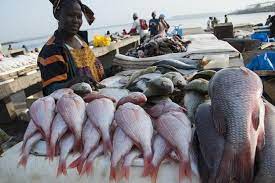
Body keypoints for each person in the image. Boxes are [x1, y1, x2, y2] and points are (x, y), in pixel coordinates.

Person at [38, 0, 104, 96]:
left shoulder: (81, 39)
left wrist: (110, 70)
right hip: (75, 105)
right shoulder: (51, 51)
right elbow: (50, 90)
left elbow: (94, 69)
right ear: (57, 15)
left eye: (79, 17)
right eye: (70, 15)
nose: (76, 21)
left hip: (98, 95)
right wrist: (73, 83)